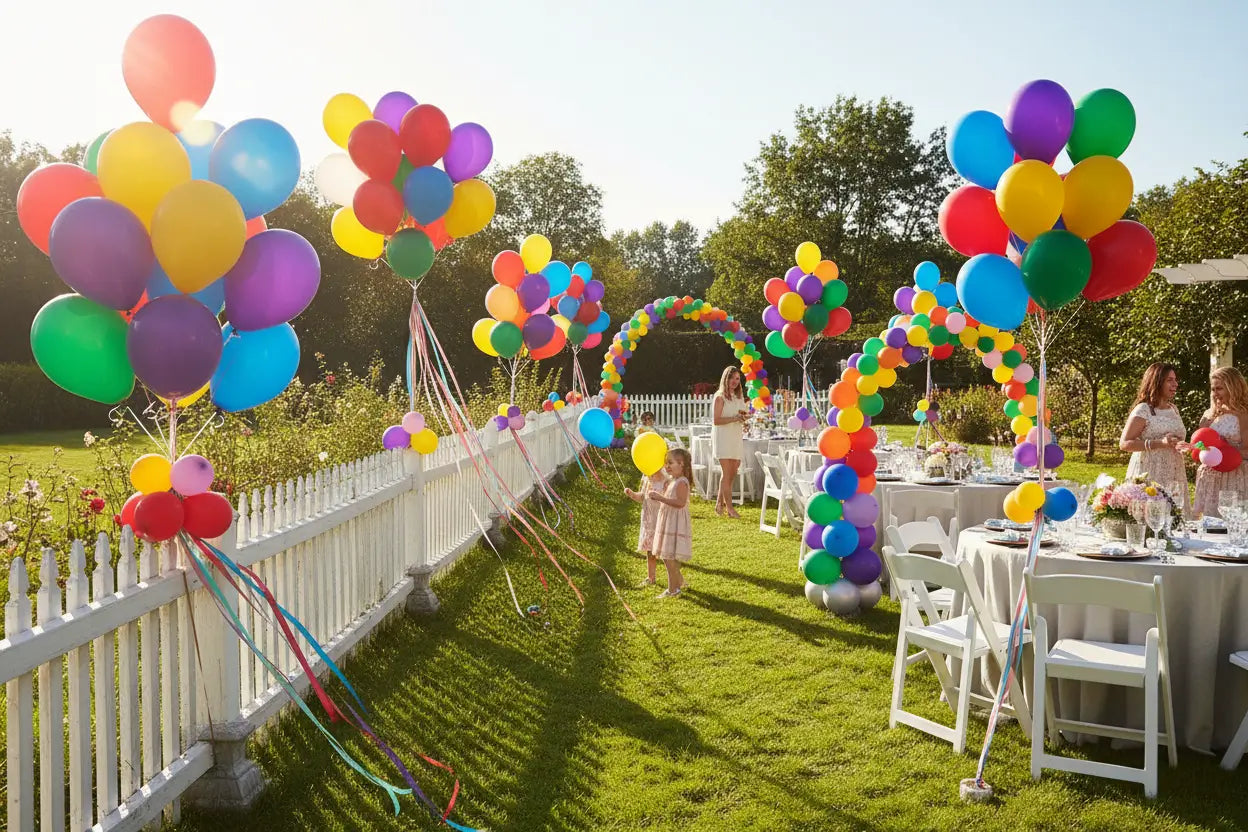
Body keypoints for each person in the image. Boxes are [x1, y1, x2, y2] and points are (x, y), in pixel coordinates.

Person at [1119, 363, 1189, 511]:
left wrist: (1181, 445)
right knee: (1150, 518)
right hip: (1150, 471)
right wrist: (1160, 443)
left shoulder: (1173, 409)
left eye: (1175, 380)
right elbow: (1124, 443)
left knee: (1173, 519)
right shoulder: (1144, 409)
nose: (1175, 384)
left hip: (1174, 472)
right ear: (1156, 381)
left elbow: (1173, 440)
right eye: (1169, 380)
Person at [1193, 367, 1248, 518]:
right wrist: (1197, 447)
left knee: (1232, 526)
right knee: (1208, 528)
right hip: (1210, 478)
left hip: (1234, 477)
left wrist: (1224, 448)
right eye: (1212, 389)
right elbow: (1198, 446)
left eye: (1219, 388)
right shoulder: (1208, 415)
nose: (1215, 393)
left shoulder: (1244, 414)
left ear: (1233, 388)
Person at [649, 448, 693, 597]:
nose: (666, 466)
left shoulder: (681, 482)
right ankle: (678, 582)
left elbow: (680, 503)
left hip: (675, 523)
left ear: (681, 464)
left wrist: (660, 498)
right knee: (668, 556)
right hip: (668, 521)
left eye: (670, 463)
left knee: (669, 557)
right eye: (665, 463)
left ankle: (673, 590)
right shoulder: (672, 481)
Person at [712, 365, 748, 518]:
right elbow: (716, 420)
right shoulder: (720, 397)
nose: (734, 381)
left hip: (735, 437)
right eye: (732, 378)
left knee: (731, 474)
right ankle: (730, 509)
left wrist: (744, 421)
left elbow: (742, 415)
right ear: (725, 379)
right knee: (727, 474)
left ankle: (719, 503)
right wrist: (734, 419)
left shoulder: (738, 397)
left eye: (737, 378)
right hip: (723, 438)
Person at [624, 464, 669, 587]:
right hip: (649, 522)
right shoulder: (647, 479)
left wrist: (659, 497)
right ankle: (651, 577)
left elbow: (669, 501)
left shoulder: (666, 482)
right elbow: (642, 497)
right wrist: (632, 494)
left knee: (666, 553)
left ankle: (676, 578)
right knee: (650, 550)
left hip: (661, 520)